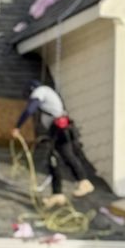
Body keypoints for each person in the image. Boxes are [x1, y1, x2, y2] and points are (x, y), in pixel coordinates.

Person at [12, 79, 93, 207]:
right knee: (53, 160)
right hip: (58, 130)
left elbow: (30, 109)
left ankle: (83, 182)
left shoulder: (39, 92)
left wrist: (17, 127)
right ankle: (57, 194)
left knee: (66, 155)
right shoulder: (47, 93)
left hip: (60, 129)